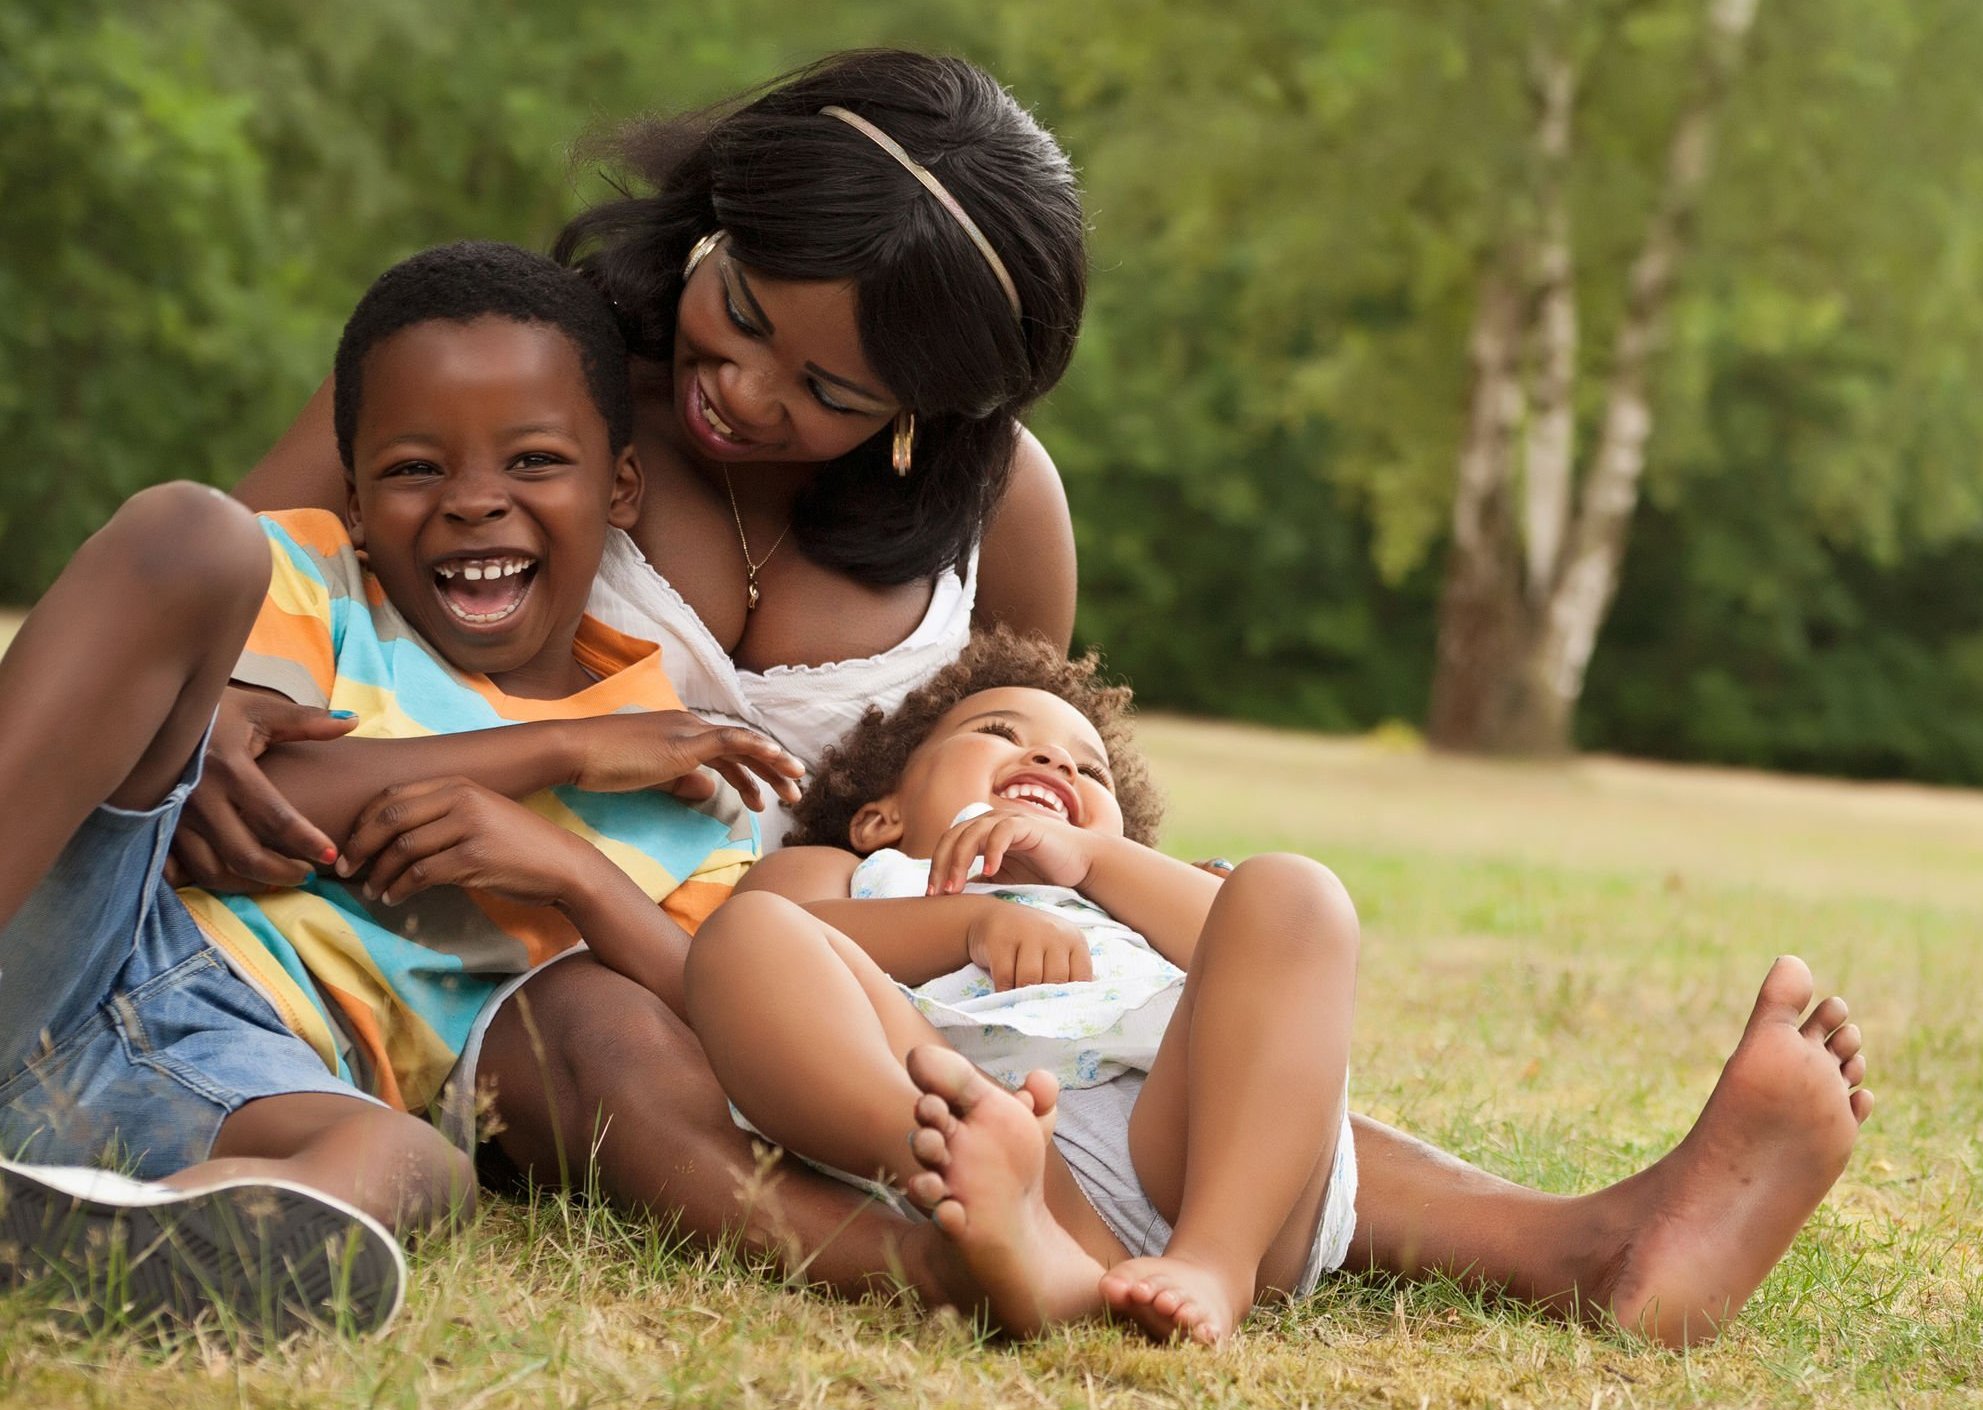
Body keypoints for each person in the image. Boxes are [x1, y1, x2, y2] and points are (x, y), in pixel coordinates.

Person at [200, 49, 1877, 1346]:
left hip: (880, 988)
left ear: (930, 410)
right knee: (606, 1031)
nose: (738, 388)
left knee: (1123, 1059)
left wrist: (1074, 927)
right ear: (711, 221)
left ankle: (1589, 1249)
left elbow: (1046, 795)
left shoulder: (1001, 521)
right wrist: (218, 712)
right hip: (534, 957)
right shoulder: (528, 378)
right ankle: (969, 1266)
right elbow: (233, 571)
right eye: (736, 306)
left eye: (827, 387)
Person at [0, 241, 799, 1335]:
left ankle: (122, 1238)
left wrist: (573, 873)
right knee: (192, 533)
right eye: (417, 469)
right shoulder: (317, 582)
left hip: (247, 1073)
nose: (476, 502)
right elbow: (255, 802)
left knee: (414, 1164)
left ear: (620, 485)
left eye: (532, 462)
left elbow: (723, 1020)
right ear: (361, 501)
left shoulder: (687, 799)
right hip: (89, 926)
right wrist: (555, 753)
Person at [685, 629, 1363, 1345]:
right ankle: (1033, 1240)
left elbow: (1271, 952)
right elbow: (791, 936)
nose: (1051, 759)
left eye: (1091, 772)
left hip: (1201, 1161)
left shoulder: (1126, 888)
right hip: (989, 1148)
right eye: (997, 731)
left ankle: (1213, 1265)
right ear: (883, 816)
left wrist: (1097, 860)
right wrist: (970, 922)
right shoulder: (863, 872)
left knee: (1296, 890)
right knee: (748, 931)